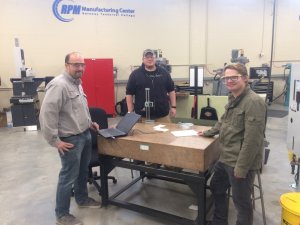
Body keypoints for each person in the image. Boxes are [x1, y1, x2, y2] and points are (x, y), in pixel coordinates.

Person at [198, 63, 267, 225]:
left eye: (233, 78)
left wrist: (242, 168)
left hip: (241, 161)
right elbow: (223, 122)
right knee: (216, 187)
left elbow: (253, 140)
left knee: (241, 203)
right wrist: (207, 132)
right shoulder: (233, 97)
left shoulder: (253, 102)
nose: (229, 81)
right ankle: (220, 220)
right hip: (226, 156)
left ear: (245, 78)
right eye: (226, 78)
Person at [39, 52, 100, 225]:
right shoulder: (59, 85)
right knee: (68, 176)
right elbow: (47, 115)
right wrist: (55, 141)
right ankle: (62, 214)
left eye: (82, 64)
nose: (80, 68)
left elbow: (79, 109)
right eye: (75, 64)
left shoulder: (77, 83)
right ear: (67, 65)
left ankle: (82, 199)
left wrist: (90, 122)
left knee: (82, 172)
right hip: (70, 140)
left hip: (84, 134)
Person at [126, 49, 176, 123]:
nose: (150, 59)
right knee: (142, 134)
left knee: (165, 134)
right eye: (147, 57)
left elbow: (171, 90)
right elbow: (129, 93)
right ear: (143, 59)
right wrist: (130, 111)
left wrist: (173, 107)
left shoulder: (164, 73)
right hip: (142, 116)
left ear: (155, 58)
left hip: (162, 116)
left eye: (152, 57)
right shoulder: (135, 74)